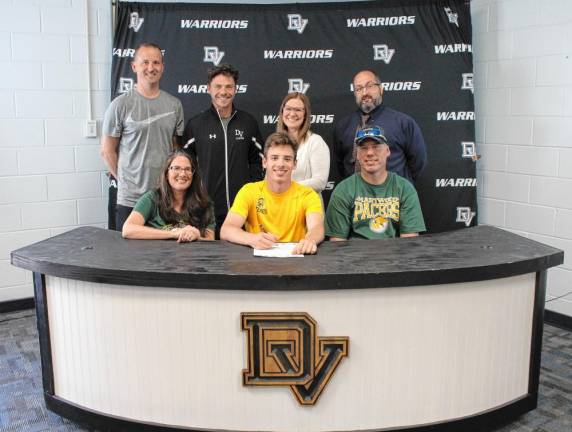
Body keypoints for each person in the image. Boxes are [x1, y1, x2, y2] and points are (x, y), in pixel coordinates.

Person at [101, 42, 184, 232]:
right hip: (130, 199)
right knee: (128, 259)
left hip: (165, 198)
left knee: (164, 257)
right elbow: (107, 151)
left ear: (162, 67)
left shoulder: (174, 105)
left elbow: (175, 150)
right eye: (145, 62)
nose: (151, 68)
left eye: (156, 63)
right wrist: (126, 181)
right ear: (134, 66)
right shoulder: (120, 105)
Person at [183, 64, 263, 239]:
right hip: (205, 211)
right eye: (218, 86)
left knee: (240, 264)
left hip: (242, 212)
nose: (223, 91)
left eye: (229, 86)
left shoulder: (248, 122)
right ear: (208, 89)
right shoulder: (196, 125)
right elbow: (184, 165)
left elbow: (258, 162)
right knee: (207, 262)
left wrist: (252, 196)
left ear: (235, 90)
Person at [220, 132, 324, 255]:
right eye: (274, 158)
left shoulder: (307, 194)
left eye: (287, 159)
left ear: (294, 164)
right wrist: (251, 239)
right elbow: (226, 230)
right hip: (257, 263)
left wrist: (309, 240)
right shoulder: (249, 191)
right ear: (264, 162)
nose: (280, 164)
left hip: (295, 260)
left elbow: (317, 227)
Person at [326, 126, 426, 240]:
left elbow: (409, 241)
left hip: (395, 256)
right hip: (355, 256)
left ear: (387, 151)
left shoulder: (404, 189)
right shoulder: (343, 190)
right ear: (357, 154)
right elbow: (337, 242)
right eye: (363, 148)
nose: (369, 153)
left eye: (376, 147)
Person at [333, 69, 426, 183]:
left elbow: (418, 163)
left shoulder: (403, 123)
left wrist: (400, 187)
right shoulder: (343, 127)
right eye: (359, 89)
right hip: (354, 197)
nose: (364, 93)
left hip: (393, 196)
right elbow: (341, 166)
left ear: (381, 89)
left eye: (370, 86)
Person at [122, 151, 215, 242]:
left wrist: (197, 236)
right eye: (176, 168)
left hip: (191, 257)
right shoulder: (151, 199)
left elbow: (210, 241)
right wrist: (175, 234)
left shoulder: (204, 204)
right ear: (166, 174)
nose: (182, 174)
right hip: (157, 256)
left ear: (193, 175)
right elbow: (128, 230)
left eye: (187, 169)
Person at [276, 92, 330, 195]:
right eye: (288, 109)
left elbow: (320, 182)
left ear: (305, 114)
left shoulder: (316, 142)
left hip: (307, 208)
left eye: (298, 110)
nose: (292, 114)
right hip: (280, 207)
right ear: (282, 112)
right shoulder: (275, 143)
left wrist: (286, 188)